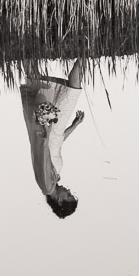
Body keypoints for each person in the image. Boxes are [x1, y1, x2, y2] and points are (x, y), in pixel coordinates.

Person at [20, 59, 85, 217]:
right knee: (40, 82)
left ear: (60, 201)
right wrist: (74, 125)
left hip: (49, 127)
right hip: (55, 129)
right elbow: (57, 145)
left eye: (68, 195)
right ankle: (26, 46)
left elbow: (43, 153)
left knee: (72, 91)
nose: (68, 191)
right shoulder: (53, 181)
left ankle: (85, 51)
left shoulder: (46, 185)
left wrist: (44, 127)